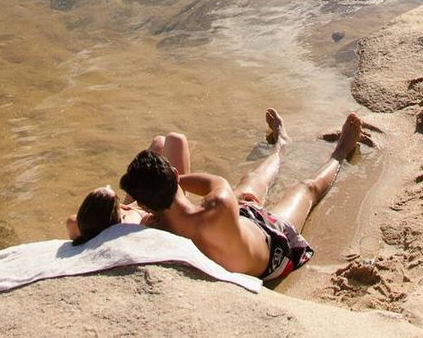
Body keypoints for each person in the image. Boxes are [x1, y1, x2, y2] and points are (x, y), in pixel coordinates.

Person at [120, 109, 362, 282]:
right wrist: (173, 181)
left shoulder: (155, 227)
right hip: (273, 245)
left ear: (144, 203)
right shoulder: (218, 203)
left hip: (241, 222)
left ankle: (281, 145)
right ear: (173, 174)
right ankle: (340, 152)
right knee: (306, 189)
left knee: (249, 185)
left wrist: (158, 190)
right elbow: (213, 182)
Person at [67, 132, 191, 245]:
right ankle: (174, 179)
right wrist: (142, 228)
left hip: (134, 205)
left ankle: (172, 176)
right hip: (162, 204)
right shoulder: (136, 226)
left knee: (159, 143)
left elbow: (72, 223)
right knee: (176, 140)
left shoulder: (88, 219)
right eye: (115, 197)